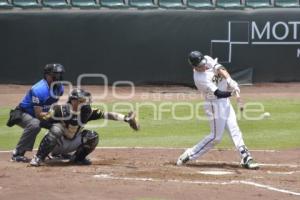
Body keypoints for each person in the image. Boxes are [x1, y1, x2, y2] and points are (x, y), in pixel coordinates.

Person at [176, 51, 259, 170]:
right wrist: (232, 92)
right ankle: (189, 154)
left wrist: (230, 80)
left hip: (225, 103)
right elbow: (218, 93)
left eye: (203, 63)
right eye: (200, 65)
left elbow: (220, 68)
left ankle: (246, 157)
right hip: (214, 105)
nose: (204, 66)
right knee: (216, 137)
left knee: (235, 130)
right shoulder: (200, 79)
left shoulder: (207, 59)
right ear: (194, 67)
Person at [30, 88, 139, 166]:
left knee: (92, 136)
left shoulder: (87, 111)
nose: (85, 103)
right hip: (57, 142)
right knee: (56, 129)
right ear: (73, 101)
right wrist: (56, 127)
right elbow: (42, 122)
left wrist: (126, 119)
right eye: (82, 101)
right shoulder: (60, 110)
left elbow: (107, 114)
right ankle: (39, 158)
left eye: (85, 101)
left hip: (72, 143)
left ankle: (77, 159)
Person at [7, 64, 65, 162]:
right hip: (23, 113)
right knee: (35, 124)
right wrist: (53, 115)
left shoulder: (60, 88)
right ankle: (18, 153)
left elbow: (52, 104)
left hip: (41, 114)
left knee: (62, 123)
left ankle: (57, 152)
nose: (58, 77)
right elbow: (38, 115)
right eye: (55, 75)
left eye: (60, 75)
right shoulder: (39, 90)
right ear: (47, 75)